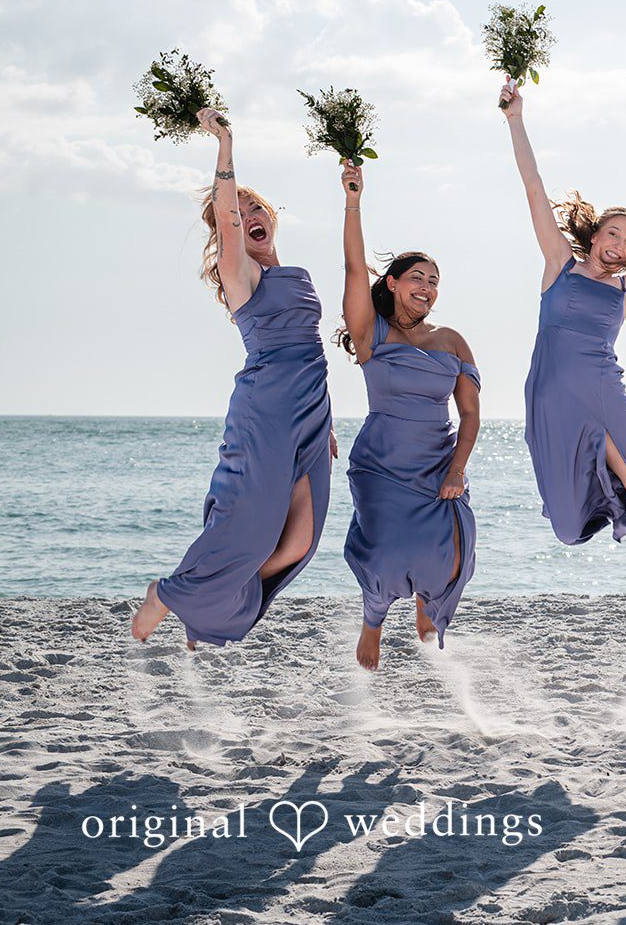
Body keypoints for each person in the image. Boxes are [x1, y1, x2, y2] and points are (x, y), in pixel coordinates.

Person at [131, 107, 332, 648]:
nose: (246, 215)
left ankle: (206, 607)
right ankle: (173, 594)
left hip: (311, 408)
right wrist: (225, 144)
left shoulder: (296, 273)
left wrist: (324, 420)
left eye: (255, 206)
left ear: (272, 215)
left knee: (300, 542)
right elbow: (225, 220)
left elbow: (309, 350)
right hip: (266, 408)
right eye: (238, 212)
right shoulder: (239, 271)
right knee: (249, 529)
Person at [501, 81, 626, 544]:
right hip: (551, 390)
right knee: (565, 517)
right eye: (614, 234)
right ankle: (596, 479)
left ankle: (608, 473)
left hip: (601, 387)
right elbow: (534, 188)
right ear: (597, 234)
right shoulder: (560, 264)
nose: (620, 246)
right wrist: (515, 120)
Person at [334, 162, 480, 671]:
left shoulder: (452, 340)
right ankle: (373, 617)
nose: (427, 286)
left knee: (445, 552)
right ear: (393, 283)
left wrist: (457, 469)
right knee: (381, 552)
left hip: (436, 460)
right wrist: (353, 200)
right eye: (417, 277)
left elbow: (469, 414)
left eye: (434, 281)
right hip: (381, 462)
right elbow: (355, 269)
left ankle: (427, 601)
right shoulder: (372, 335)